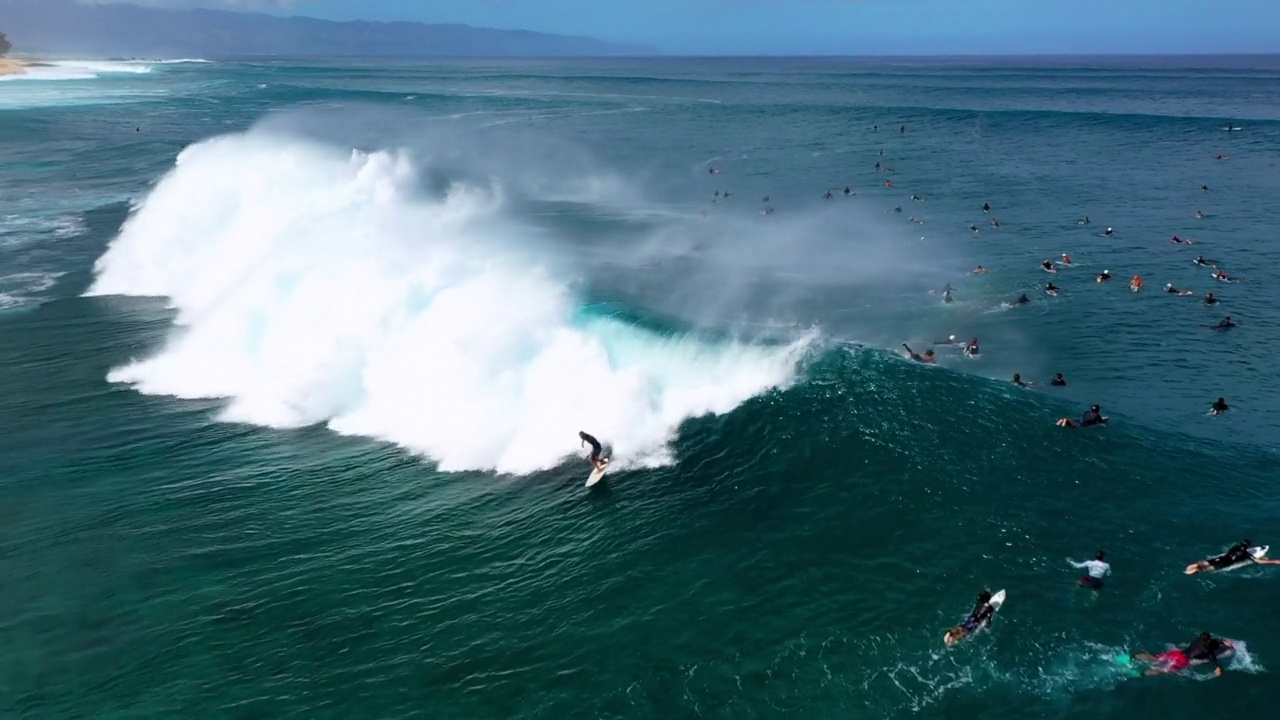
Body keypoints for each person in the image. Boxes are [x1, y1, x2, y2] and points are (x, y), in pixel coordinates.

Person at [1136, 633, 1234, 676]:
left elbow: (1214, 641)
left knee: (1156, 658)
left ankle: (1134, 656)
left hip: (1177, 653)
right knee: (1163, 670)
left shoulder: (1198, 640)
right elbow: (1212, 658)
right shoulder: (1207, 651)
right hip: (1183, 660)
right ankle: (1142, 673)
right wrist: (1218, 668)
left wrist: (1222, 642)